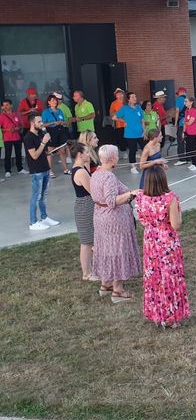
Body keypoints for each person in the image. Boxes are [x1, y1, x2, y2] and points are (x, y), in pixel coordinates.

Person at [137, 165, 190, 328]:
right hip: (166, 240)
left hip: (150, 240)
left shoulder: (141, 198)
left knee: (154, 277)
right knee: (169, 277)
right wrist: (179, 212)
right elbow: (176, 224)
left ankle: (158, 314)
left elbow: (141, 219)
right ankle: (171, 317)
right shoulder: (170, 198)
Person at [90, 144, 142, 303]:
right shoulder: (109, 177)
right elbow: (112, 201)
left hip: (100, 217)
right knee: (117, 250)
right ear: (112, 159)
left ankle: (106, 285)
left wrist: (128, 193)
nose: (119, 158)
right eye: (117, 156)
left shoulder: (97, 173)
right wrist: (131, 194)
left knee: (107, 249)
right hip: (113, 220)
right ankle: (118, 291)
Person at [69, 141, 99, 281]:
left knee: (89, 241)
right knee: (87, 242)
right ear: (80, 155)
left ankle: (90, 270)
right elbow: (93, 191)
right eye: (86, 152)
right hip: (85, 206)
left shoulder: (79, 168)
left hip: (85, 205)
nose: (89, 154)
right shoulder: (80, 171)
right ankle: (86, 273)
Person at [24, 113, 60, 231]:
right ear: (32, 123)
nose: (42, 124)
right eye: (39, 122)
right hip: (37, 171)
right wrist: (43, 143)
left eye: (41, 121)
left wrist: (49, 152)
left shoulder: (40, 134)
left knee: (43, 196)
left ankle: (44, 217)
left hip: (45, 169)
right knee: (36, 196)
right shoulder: (28, 137)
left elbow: (41, 152)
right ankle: (33, 222)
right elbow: (34, 155)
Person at [114, 91, 144, 174]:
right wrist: (123, 121)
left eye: (135, 97)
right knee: (133, 150)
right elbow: (114, 117)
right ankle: (133, 167)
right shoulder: (125, 108)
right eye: (132, 97)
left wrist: (144, 131)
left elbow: (142, 120)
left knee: (144, 148)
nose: (135, 98)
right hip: (130, 134)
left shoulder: (138, 107)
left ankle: (144, 164)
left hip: (140, 132)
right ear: (128, 99)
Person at [41, 93, 70, 177]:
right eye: (52, 100)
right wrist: (54, 123)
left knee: (62, 151)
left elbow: (64, 121)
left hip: (61, 131)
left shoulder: (59, 110)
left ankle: (65, 169)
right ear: (49, 102)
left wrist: (62, 122)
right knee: (50, 152)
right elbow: (43, 124)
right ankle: (50, 171)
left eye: (55, 100)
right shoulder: (46, 112)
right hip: (51, 131)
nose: (55, 102)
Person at [0, 98, 27, 177]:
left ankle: (20, 169)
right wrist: (7, 129)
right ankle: (7, 170)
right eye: (4, 105)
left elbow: (22, 125)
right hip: (7, 138)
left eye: (7, 105)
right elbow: (0, 128)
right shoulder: (2, 116)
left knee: (18, 153)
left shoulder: (17, 114)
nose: (5, 107)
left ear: (11, 105)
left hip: (17, 137)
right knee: (7, 154)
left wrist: (18, 128)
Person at [183, 96, 196, 172]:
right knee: (189, 148)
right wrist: (184, 132)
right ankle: (193, 163)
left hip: (194, 132)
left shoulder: (194, 110)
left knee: (194, 148)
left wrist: (185, 122)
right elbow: (186, 122)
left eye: (186, 101)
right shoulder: (186, 110)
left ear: (191, 102)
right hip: (188, 132)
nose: (185, 103)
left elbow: (190, 122)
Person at [173, 87, 188, 166]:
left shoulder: (178, 100)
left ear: (180, 92)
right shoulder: (188, 100)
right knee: (188, 141)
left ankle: (182, 159)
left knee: (180, 141)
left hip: (182, 123)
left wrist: (175, 123)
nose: (177, 95)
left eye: (178, 93)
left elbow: (177, 111)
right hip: (189, 123)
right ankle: (189, 157)